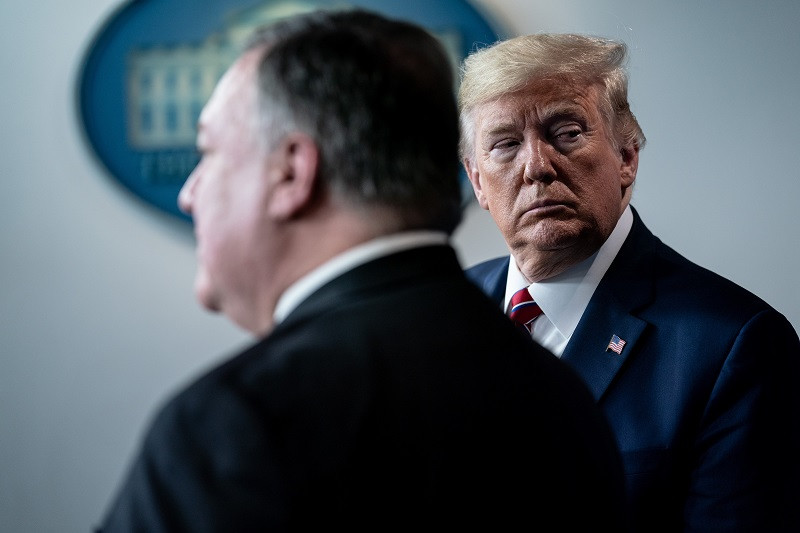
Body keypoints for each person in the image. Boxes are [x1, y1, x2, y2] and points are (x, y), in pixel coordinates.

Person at [97, 12, 626, 531]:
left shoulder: (237, 424)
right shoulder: (564, 399)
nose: (189, 194)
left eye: (208, 152)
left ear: (291, 173)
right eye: (506, 144)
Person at [459, 32, 800, 532]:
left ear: (627, 157)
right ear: (476, 181)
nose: (536, 167)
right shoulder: (445, 311)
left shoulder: (737, 346)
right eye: (506, 144)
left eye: (566, 132)